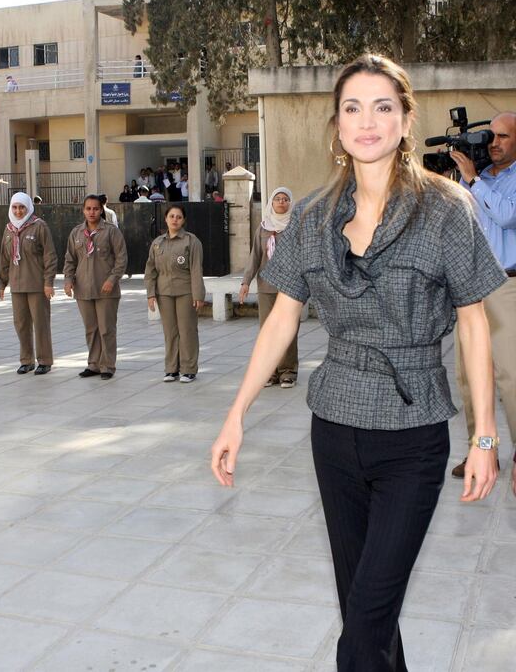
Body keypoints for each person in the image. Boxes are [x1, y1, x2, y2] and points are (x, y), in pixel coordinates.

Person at [211, 55, 506, 670]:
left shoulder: (446, 209)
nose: (366, 122)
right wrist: (236, 413)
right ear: (337, 126)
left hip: (413, 434)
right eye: (352, 108)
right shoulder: (315, 216)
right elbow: (282, 317)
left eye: (382, 107)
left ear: (404, 122)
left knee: (362, 630)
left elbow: (475, 322)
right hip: (335, 433)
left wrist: (484, 435)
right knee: (365, 615)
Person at [448, 111, 516, 487]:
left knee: (512, 376)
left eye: (504, 136)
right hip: (471, 287)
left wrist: (473, 179)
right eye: (492, 136)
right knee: (469, 375)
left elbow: (508, 217)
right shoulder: (472, 181)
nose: (494, 143)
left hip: (508, 286)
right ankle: (480, 446)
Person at [238, 187, 299, 388]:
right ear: (271, 204)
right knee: (268, 330)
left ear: (290, 203)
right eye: (278, 199)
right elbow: (254, 257)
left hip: (289, 288)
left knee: (287, 330)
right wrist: (245, 282)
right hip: (266, 287)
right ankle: (270, 372)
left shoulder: (296, 227)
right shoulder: (263, 228)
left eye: (285, 199)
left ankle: (288, 371)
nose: (281, 202)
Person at [64, 194, 127, 379]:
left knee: (106, 328)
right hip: (83, 289)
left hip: (106, 288)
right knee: (91, 329)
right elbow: (70, 259)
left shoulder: (111, 231)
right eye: (88, 208)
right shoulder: (76, 233)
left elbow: (121, 258)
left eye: (96, 208)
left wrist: (112, 279)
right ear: (83, 210)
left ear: (101, 210)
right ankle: (93, 364)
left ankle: (107, 365)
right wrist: (68, 280)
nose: (92, 212)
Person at [145, 204, 205, 383]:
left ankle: (188, 369)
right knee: (170, 332)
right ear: (166, 219)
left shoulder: (191, 241)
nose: (175, 220)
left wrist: (198, 296)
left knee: (187, 331)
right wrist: (150, 293)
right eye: (171, 216)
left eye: (179, 217)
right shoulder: (157, 243)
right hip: (164, 293)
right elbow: (150, 269)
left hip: (185, 291)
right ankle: (171, 369)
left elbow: (196, 270)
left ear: (184, 220)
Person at [0, 192, 57, 375]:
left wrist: (48, 282)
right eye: (15, 207)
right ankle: (26, 360)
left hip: (37, 285)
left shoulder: (39, 226)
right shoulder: (8, 229)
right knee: (21, 324)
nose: (18, 211)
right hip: (17, 286)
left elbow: (50, 256)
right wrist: (2, 283)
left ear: (28, 208)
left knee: (40, 323)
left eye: (22, 207)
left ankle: (45, 360)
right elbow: (4, 258)